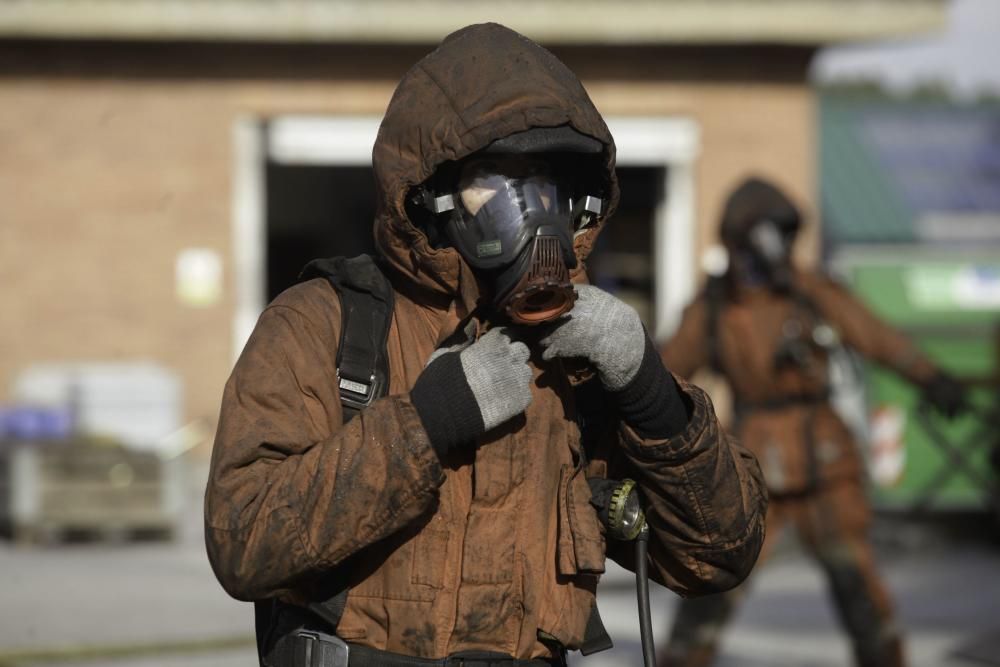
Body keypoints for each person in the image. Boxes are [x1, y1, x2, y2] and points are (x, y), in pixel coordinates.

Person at [205, 23, 767, 667]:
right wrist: (427, 422)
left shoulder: (575, 361)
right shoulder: (325, 324)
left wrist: (649, 391)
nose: (527, 207)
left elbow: (721, 552)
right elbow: (242, 542)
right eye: (493, 179)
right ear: (430, 195)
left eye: (544, 181)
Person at [658, 177, 967, 667]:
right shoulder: (714, 306)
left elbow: (874, 334)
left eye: (776, 236)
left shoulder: (808, 291)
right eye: (757, 237)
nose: (766, 252)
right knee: (715, 580)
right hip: (751, 466)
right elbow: (665, 372)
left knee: (858, 589)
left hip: (824, 461)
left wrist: (931, 378)